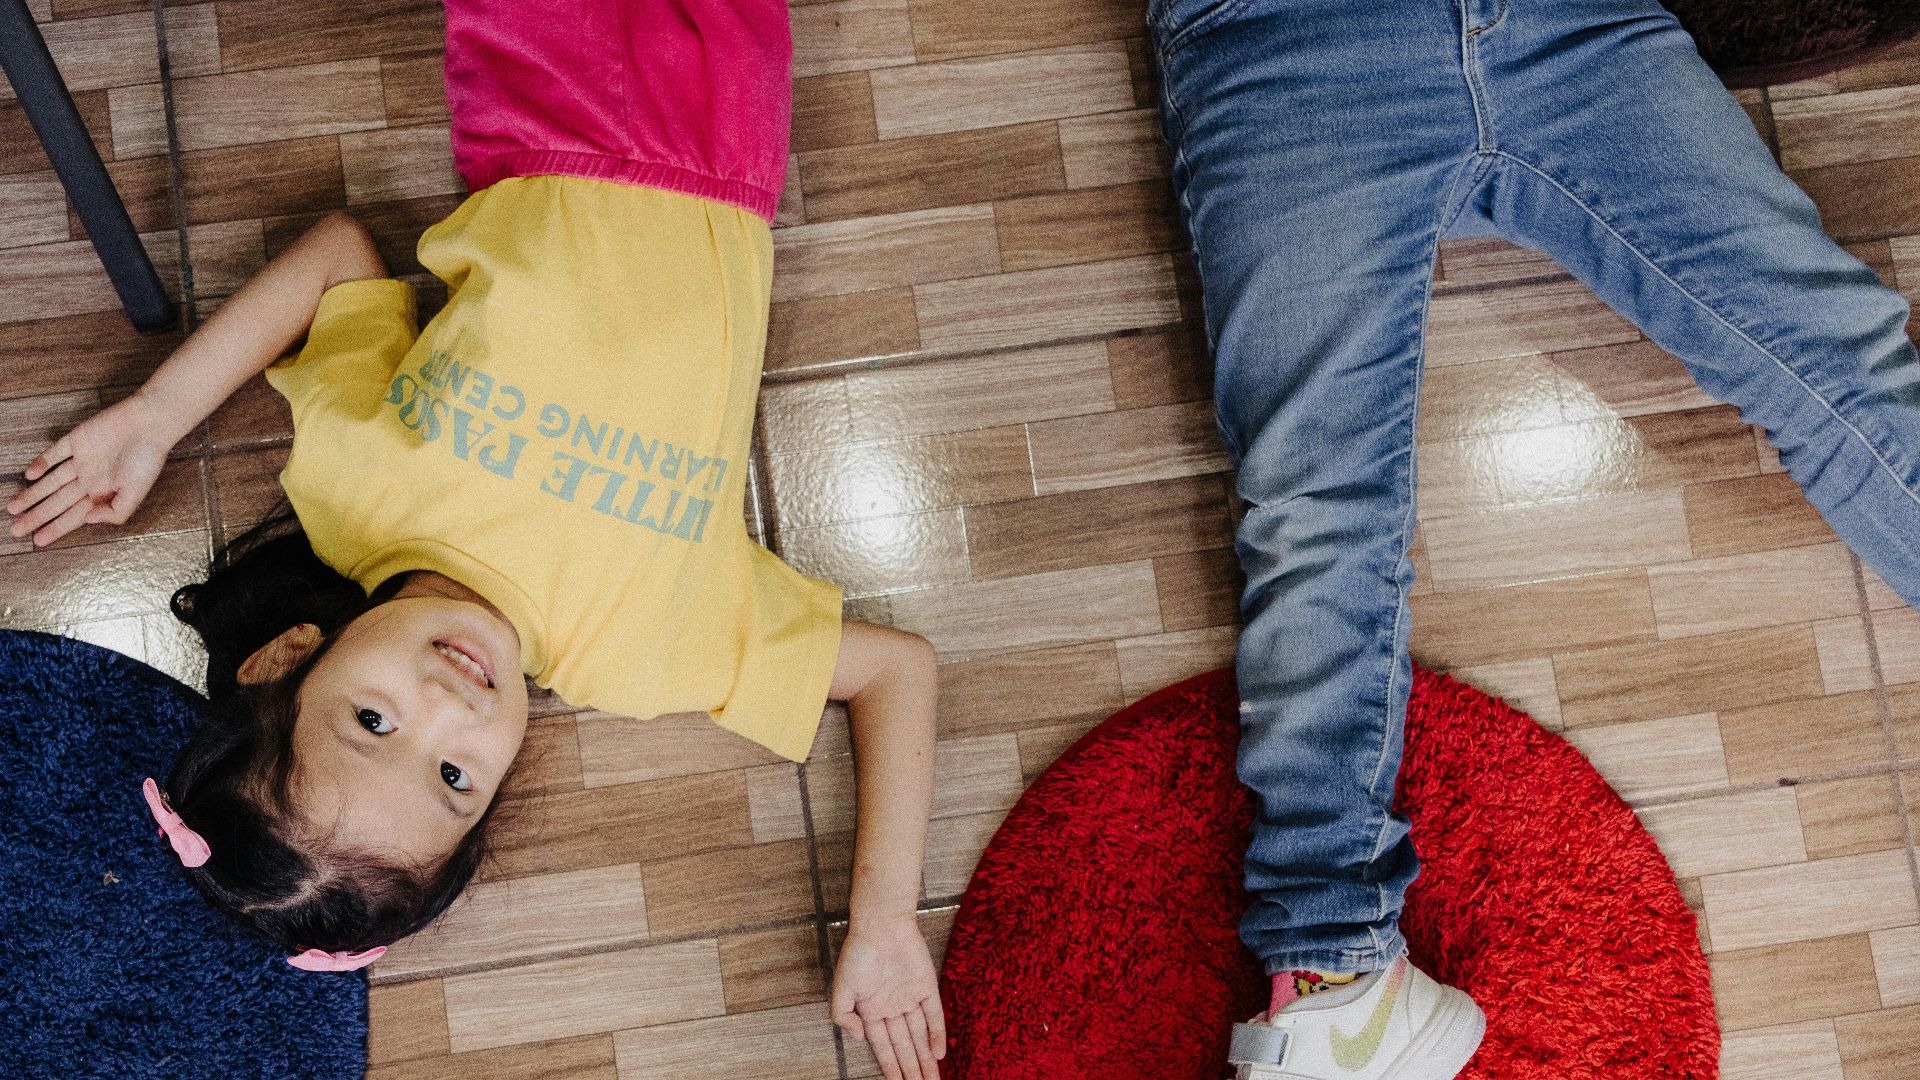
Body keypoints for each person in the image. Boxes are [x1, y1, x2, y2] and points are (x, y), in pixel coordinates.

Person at [3, 2, 946, 1076]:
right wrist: (882, 921)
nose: (450, 710)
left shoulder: (352, 490)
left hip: (548, 90)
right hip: (728, 133)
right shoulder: (645, 650)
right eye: (456, 777)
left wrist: (157, 416)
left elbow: (338, 253)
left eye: (372, 720)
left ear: (288, 655)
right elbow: (894, 672)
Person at [1148, 0, 1920, 1076]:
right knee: (1318, 506)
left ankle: (1331, 974)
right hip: (1292, 39)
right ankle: (1330, 978)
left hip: (1569, 20)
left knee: (1841, 364)